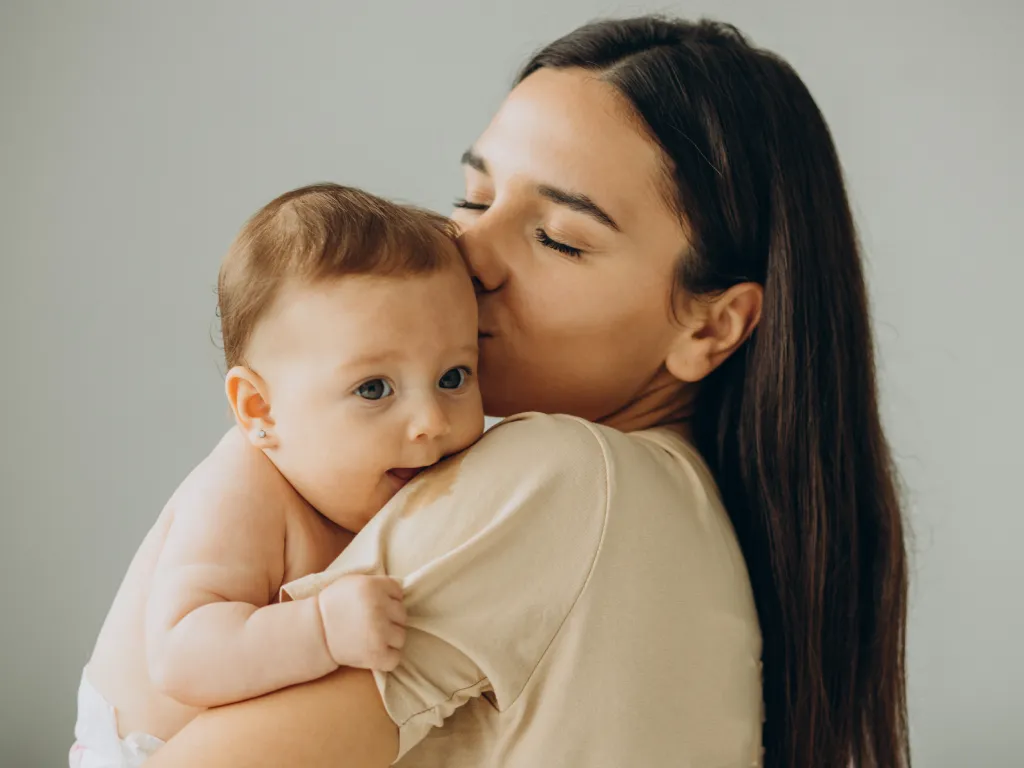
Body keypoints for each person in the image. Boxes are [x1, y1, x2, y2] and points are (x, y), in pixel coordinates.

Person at [145, 16, 910, 768]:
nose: (466, 253)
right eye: (474, 198)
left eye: (558, 237)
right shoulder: (679, 511)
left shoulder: (565, 479)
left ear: (711, 327)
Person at [73, 184, 485, 767]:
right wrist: (319, 629)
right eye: (373, 388)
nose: (430, 422)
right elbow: (182, 655)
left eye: (454, 377)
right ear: (259, 411)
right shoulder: (243, 488)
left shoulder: (390, 481)